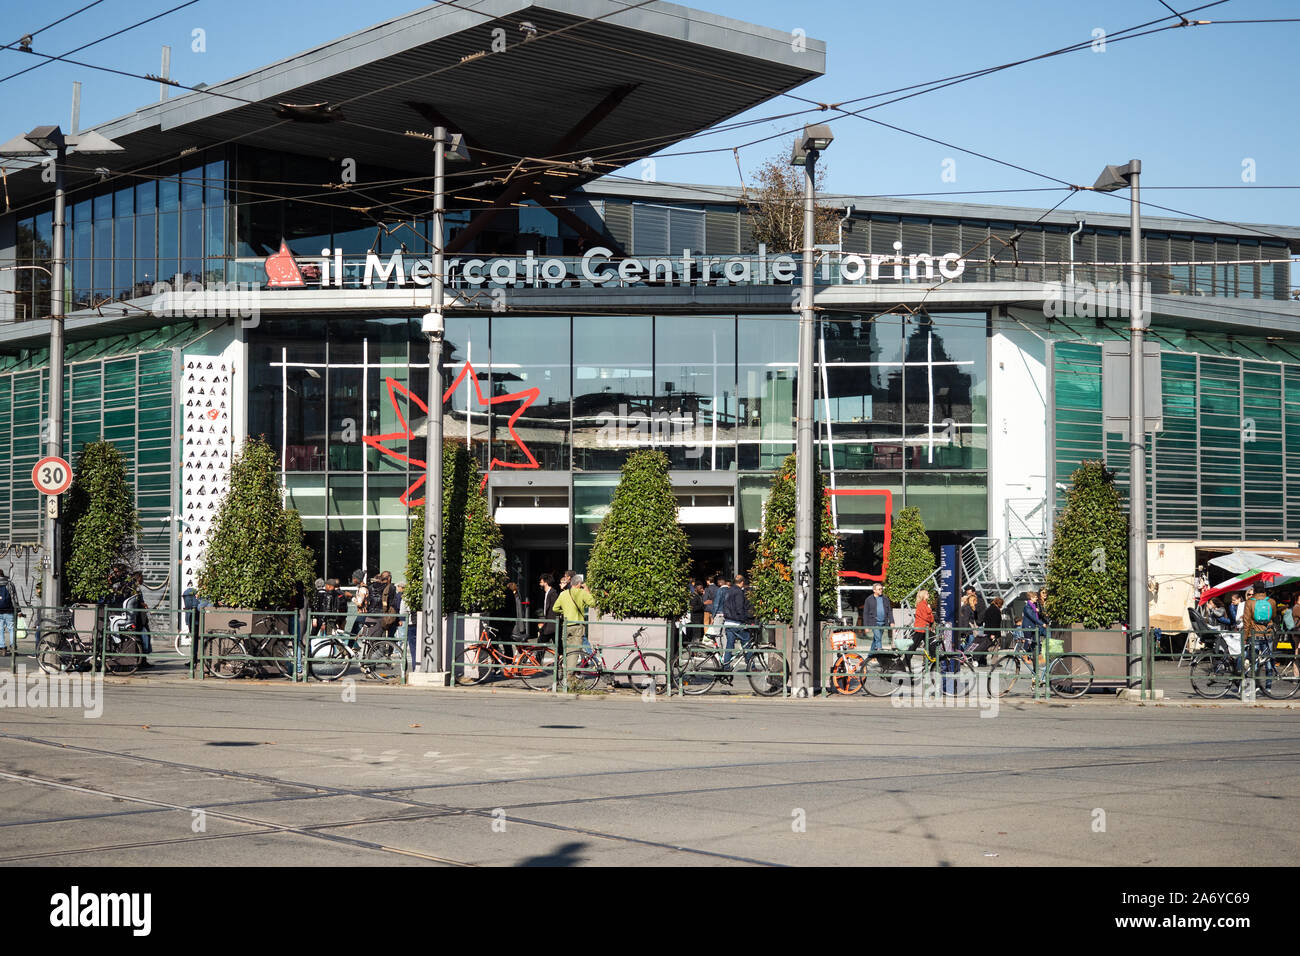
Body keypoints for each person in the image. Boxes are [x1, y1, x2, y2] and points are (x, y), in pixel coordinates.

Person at [554, 573, 597, 667]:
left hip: (566, 625)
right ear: (579, 584)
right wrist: (587, 590)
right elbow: (593, 603)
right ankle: (571, 674)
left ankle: (566, 671)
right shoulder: (582, 593)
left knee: (567, 650)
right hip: (578, 625)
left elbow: (555, 608)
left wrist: (564, 611)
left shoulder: (563, 594)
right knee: (575, 651)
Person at [719, 573, 755, 683]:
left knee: (729, 645)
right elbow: (739, 608)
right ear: (742, 582)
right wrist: (746, 620)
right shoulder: (739, 592)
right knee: (747, 640)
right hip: (736, 622)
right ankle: (750, 664)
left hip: (728, 621)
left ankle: (726, 667)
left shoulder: (728, 591)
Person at [862, 581, 893, 653]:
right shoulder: (869, 599)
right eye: (879, 589)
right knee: (878, 639)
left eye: (881, 589)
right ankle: (881, 656)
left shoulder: (885, 599)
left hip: (883, 622)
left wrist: (891, 621)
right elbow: (865, 613)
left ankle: (870, 656)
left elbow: (889, 611)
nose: (881, 590)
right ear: (874, 590)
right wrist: (866, 626)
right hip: (874, 623)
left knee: (876, 639)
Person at [1021, 589, 1047, 662]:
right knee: (1027, 641)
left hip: (1033, 627)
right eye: (1035, 597)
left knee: (1036, 642)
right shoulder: (1027, 607)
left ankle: (1037, 657)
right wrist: (1042, 624)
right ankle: (1024, 656)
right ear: (1031, 598)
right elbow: (1033, 617)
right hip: (1028, 626)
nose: (1037, 598)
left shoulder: (1033, 606)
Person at [537, 573, 559, 646]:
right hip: (548, 624)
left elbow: (554, 610)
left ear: (546, 582)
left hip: (551, 625)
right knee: (542, 644)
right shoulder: (546, 593)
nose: (540, 582)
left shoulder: (553, 594)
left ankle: (561, 656)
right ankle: (561, 655)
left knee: (541, 643)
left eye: (541, 581)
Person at [0, 571, 15, 656]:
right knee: (11, 629)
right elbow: (14, 598)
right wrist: (18, 610)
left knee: (0, 630)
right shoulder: (9, 584)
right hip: (9, 610)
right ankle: (13, 647)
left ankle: (2, 648)